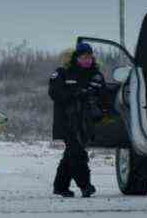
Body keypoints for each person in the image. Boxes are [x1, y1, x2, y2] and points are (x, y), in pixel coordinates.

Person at [49, 43, 106, 198]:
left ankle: (60, 186)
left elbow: (104, 97)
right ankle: (85, 185)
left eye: (90, 57)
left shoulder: (96, 75)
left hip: (86, 123)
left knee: (71, 154)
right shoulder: (63, 73)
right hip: (67, 121)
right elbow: (54, 93)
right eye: (84, 57)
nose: (87, 60)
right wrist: (75, 94)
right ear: (76, 58)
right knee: (78, 153)